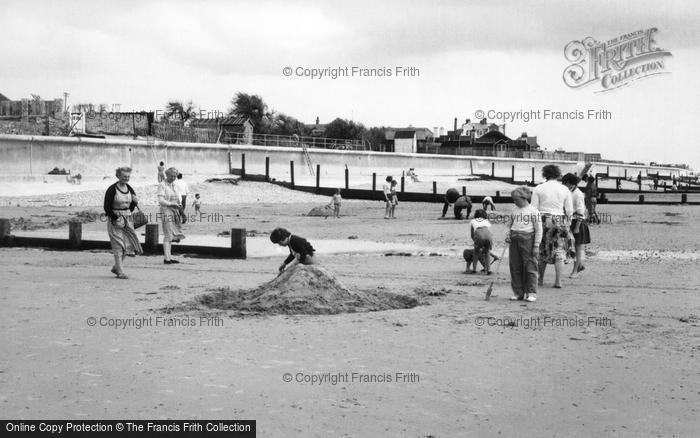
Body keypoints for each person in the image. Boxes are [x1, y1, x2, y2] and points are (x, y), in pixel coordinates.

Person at [530, 164, 574, 289]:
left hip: (543, 219)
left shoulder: (539, 188)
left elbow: (533, 209)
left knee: (542, 249)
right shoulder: (565, 189)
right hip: (560, 219)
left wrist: (533, 225)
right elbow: (570, 210)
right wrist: (568, 223)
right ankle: (558, 281)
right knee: (559, 250)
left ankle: (540, 280)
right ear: (558, 175)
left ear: (545, 174)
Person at [103, 166, 143, 279]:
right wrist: (116, 218)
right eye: (124, 176)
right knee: (118, 245)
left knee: (128, 244)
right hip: (115, 219)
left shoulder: (129, 188)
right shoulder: (112, 189)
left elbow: (131, 205)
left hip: (128, 218)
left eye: (128, 176)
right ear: (118, 176)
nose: (126, 178)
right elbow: (106, 207)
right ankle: (120, 272)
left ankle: (116, 267)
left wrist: (134, 203)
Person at [506, 186, 542, 302]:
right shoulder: (514, 210)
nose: (514, 201)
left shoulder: (533, 211)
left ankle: (531, 292)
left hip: (528, 240)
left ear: (524, 197)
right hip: (515, 239)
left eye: (516, 199)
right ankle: (518, 292)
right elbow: (509, 225)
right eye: (513, 199)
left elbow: (539, 230)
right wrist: (508, 235)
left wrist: (536, 245)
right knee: (515, 266)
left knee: (530, 267)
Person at [562, 173, 591, 279]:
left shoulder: (578, 194)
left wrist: (577, 227)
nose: (563, 185)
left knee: (578, 248)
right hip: (569, 221)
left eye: (564, 183)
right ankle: (580, 265)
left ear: (569, 183)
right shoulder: (568, 192)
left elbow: (581, 212)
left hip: (578, 223)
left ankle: (575, 271)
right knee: (569, 246)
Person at [158, 167, 185, 264]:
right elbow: (161, 201)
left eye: (175, 176)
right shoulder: (162, 185)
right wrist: (170, 204)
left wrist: (182, 213)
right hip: (166, 210)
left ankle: (169, 257)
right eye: (172, 176)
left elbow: (179, 201)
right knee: (168, 234)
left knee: (173, 234)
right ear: (167, 175)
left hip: (175, 211)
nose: (173, 178)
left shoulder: (175, 185)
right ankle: (167, 258)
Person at [469, 209, 494, 274]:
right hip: (488, 235)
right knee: (487, 252)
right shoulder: (486, 221)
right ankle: (489, 270)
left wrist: (476, 243)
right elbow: (488, 232)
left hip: (478, 233)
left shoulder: (472, 221)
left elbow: (472, 235)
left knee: (476, 252)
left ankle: (474, 269)